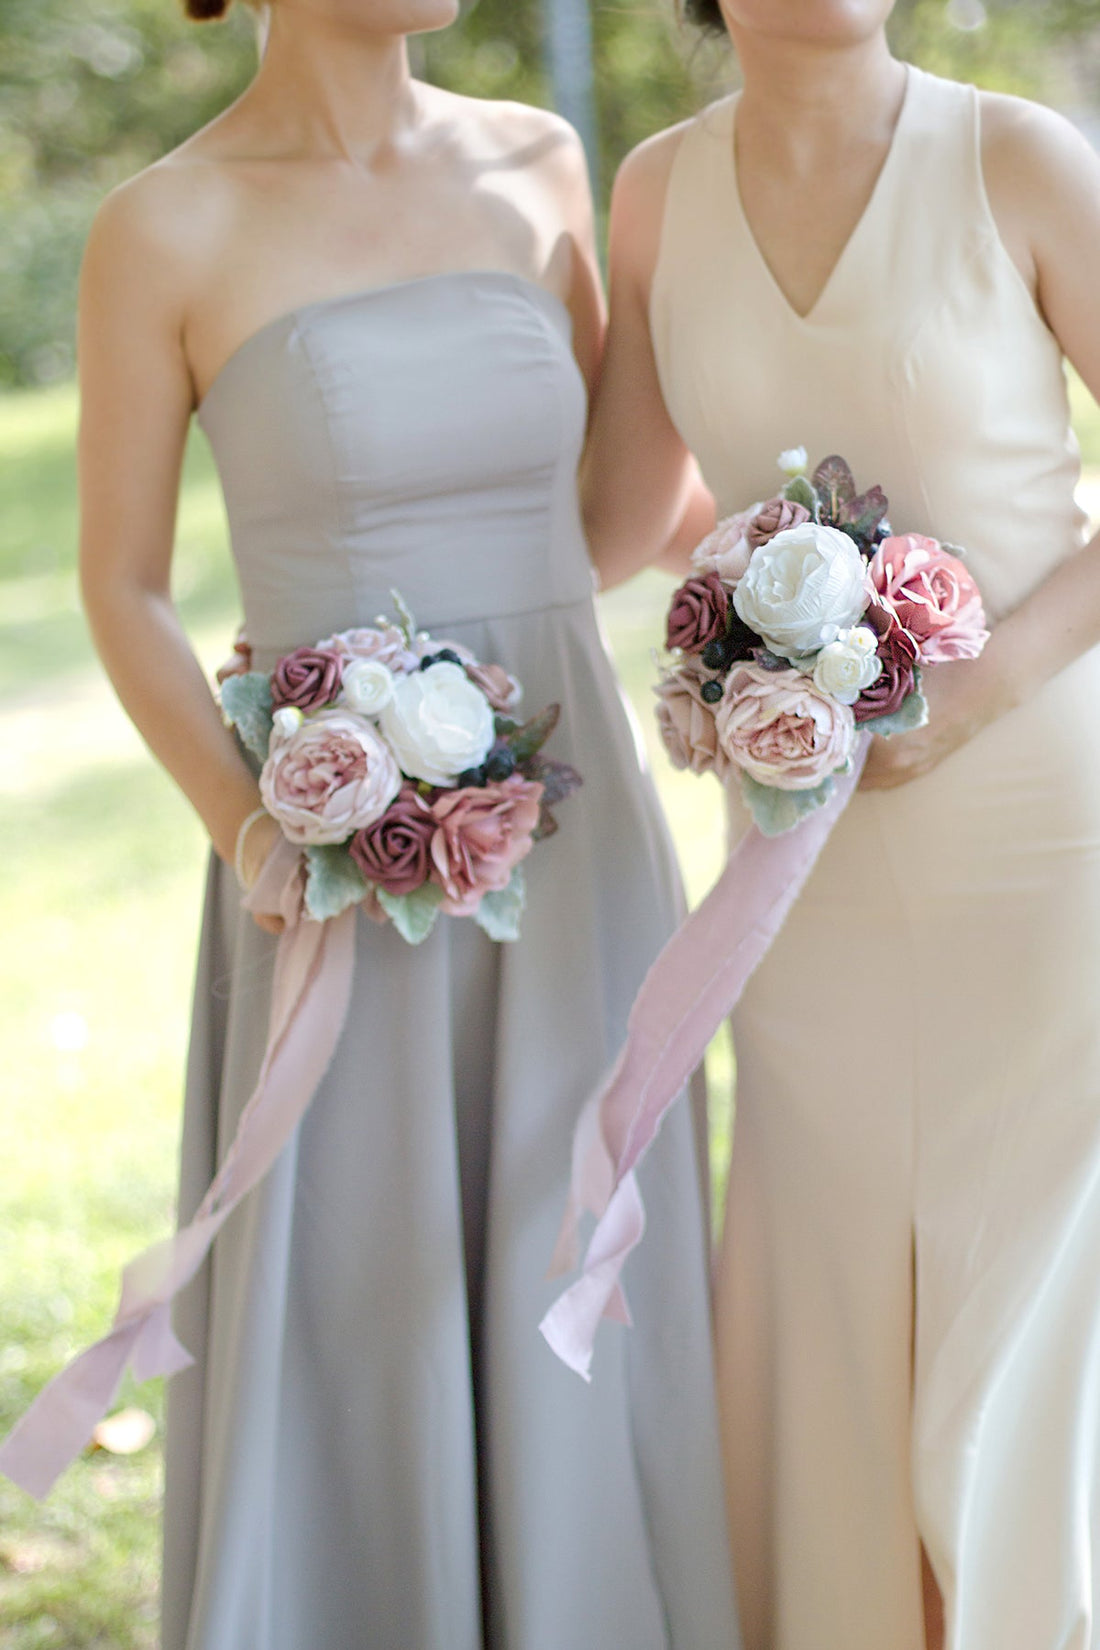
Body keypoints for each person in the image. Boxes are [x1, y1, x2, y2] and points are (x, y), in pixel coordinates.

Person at [75, 2, 740, 1645]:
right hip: (332, 868)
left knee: (570, 1251)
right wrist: (257, 830)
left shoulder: (540, 161)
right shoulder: (165, 221)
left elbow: (606, 518)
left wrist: (803, 592)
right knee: (362, 1292)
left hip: (573, 832)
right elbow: (124, 583)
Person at [580, 1, 1100, 1646]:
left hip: (1044, 845)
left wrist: (993, 674)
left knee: (1030, 1312)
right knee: (826, 1298)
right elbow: (615, 511)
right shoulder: (657, 190)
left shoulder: (1015, 156)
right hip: (802, 865)